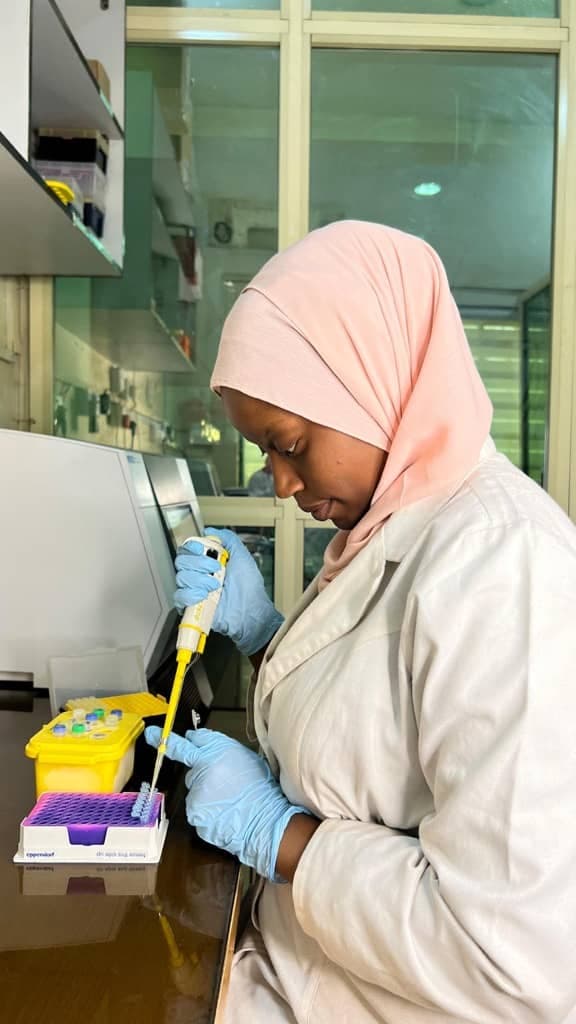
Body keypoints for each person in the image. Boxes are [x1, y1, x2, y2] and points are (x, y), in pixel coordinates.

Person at [146, 221, 576, 1023]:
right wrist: (270, 635)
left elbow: (515, 956)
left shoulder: (503, 566)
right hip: (301, 963)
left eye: (291, 445)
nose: (279, 483)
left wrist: (280, 835)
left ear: (372, 386)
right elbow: (385, 715)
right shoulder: (394, 522)